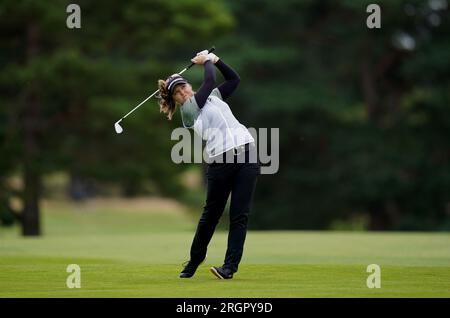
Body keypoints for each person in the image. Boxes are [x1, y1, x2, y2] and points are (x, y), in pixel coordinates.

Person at [157, 50, 260, 279]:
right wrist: (206, 62)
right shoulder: (188, 111)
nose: (183, 92)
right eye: (177, 92)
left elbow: (234, 80)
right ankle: (195, 260)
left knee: (239, 215)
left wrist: (217, 60)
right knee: (211, 215)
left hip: (246, 156)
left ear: (188, 86)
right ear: (174, 100)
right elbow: (210, 79)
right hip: (219, 163)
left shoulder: (214, 96)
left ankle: (229, 267)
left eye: (183, 87)